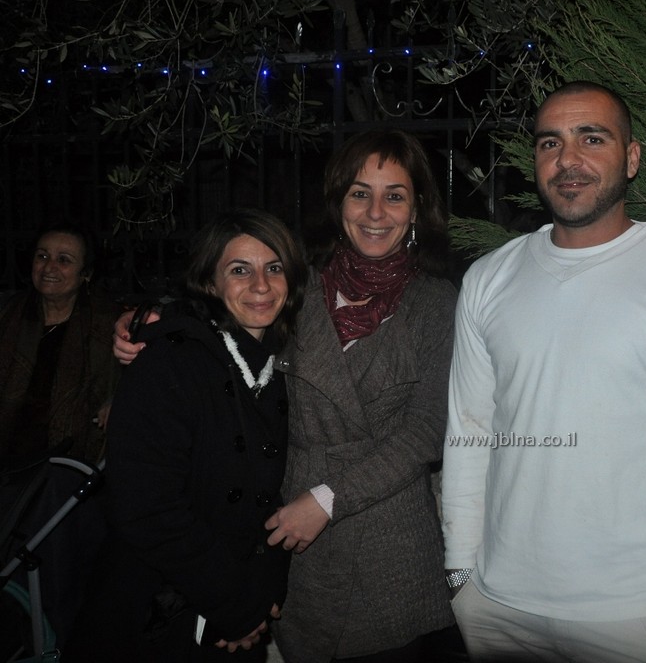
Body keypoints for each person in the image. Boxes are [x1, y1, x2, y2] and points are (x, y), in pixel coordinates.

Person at [113, 130, 459, 661]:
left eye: (394, 195)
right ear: (338, 202)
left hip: (387, 538)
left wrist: (328, 499)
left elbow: (427, 430)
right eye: (359, 193)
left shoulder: (435, 302)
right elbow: (222, 315)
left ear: (416, 210)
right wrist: (152, 321)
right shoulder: (297, 285)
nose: (375, 212)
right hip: (290, 539)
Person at [441, 81, 646, 662]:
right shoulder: (488, 278)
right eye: (550, 143)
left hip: (635, 616)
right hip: (496, 606)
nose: (568, 160)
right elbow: (468, 432)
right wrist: (461, 572)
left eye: (592, 138)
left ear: (631, 158)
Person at [66, 209, 306, 662]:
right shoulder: (168, 362)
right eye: (240, 270)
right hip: (156, 615)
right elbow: (148, 510)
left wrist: (260, 595)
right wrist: (235, 605)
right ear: (210, 283)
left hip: (231, 611)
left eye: (274, 268)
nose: (261, 285)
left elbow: (267, 497)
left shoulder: (281, 365)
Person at [0, 223, 120, 465]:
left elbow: (130, 380)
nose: (49, 268)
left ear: (86, 273)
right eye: (42, 256)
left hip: (71, 458)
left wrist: (117, 400)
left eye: (64, 260)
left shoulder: (107, 324)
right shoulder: (9, 315)